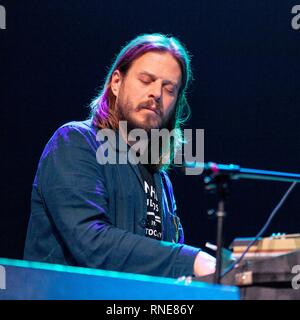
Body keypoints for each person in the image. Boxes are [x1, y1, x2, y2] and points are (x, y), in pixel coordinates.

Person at [24, 33, 215, 279]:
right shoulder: (75, 142)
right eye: (146, 80)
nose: (156, 94)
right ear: (116, 82)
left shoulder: (160, 180)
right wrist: (191, 259)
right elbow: (91, 241)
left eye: (169, 89)